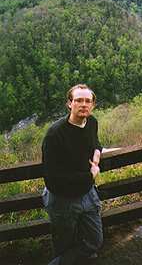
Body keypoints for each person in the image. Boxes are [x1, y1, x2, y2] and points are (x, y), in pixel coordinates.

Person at [42, 84, 103, 265]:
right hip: (62, 200)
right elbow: (52, 179)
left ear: (92, 105)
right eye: (78, 100)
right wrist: (90, 176)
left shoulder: (92, 122)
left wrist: (98, 152)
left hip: (87, 194)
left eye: (87, 101)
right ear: (70, 104)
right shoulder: (55, 134)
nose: (83, 104)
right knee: (63, 244)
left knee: (95, 241)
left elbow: (95, 142)